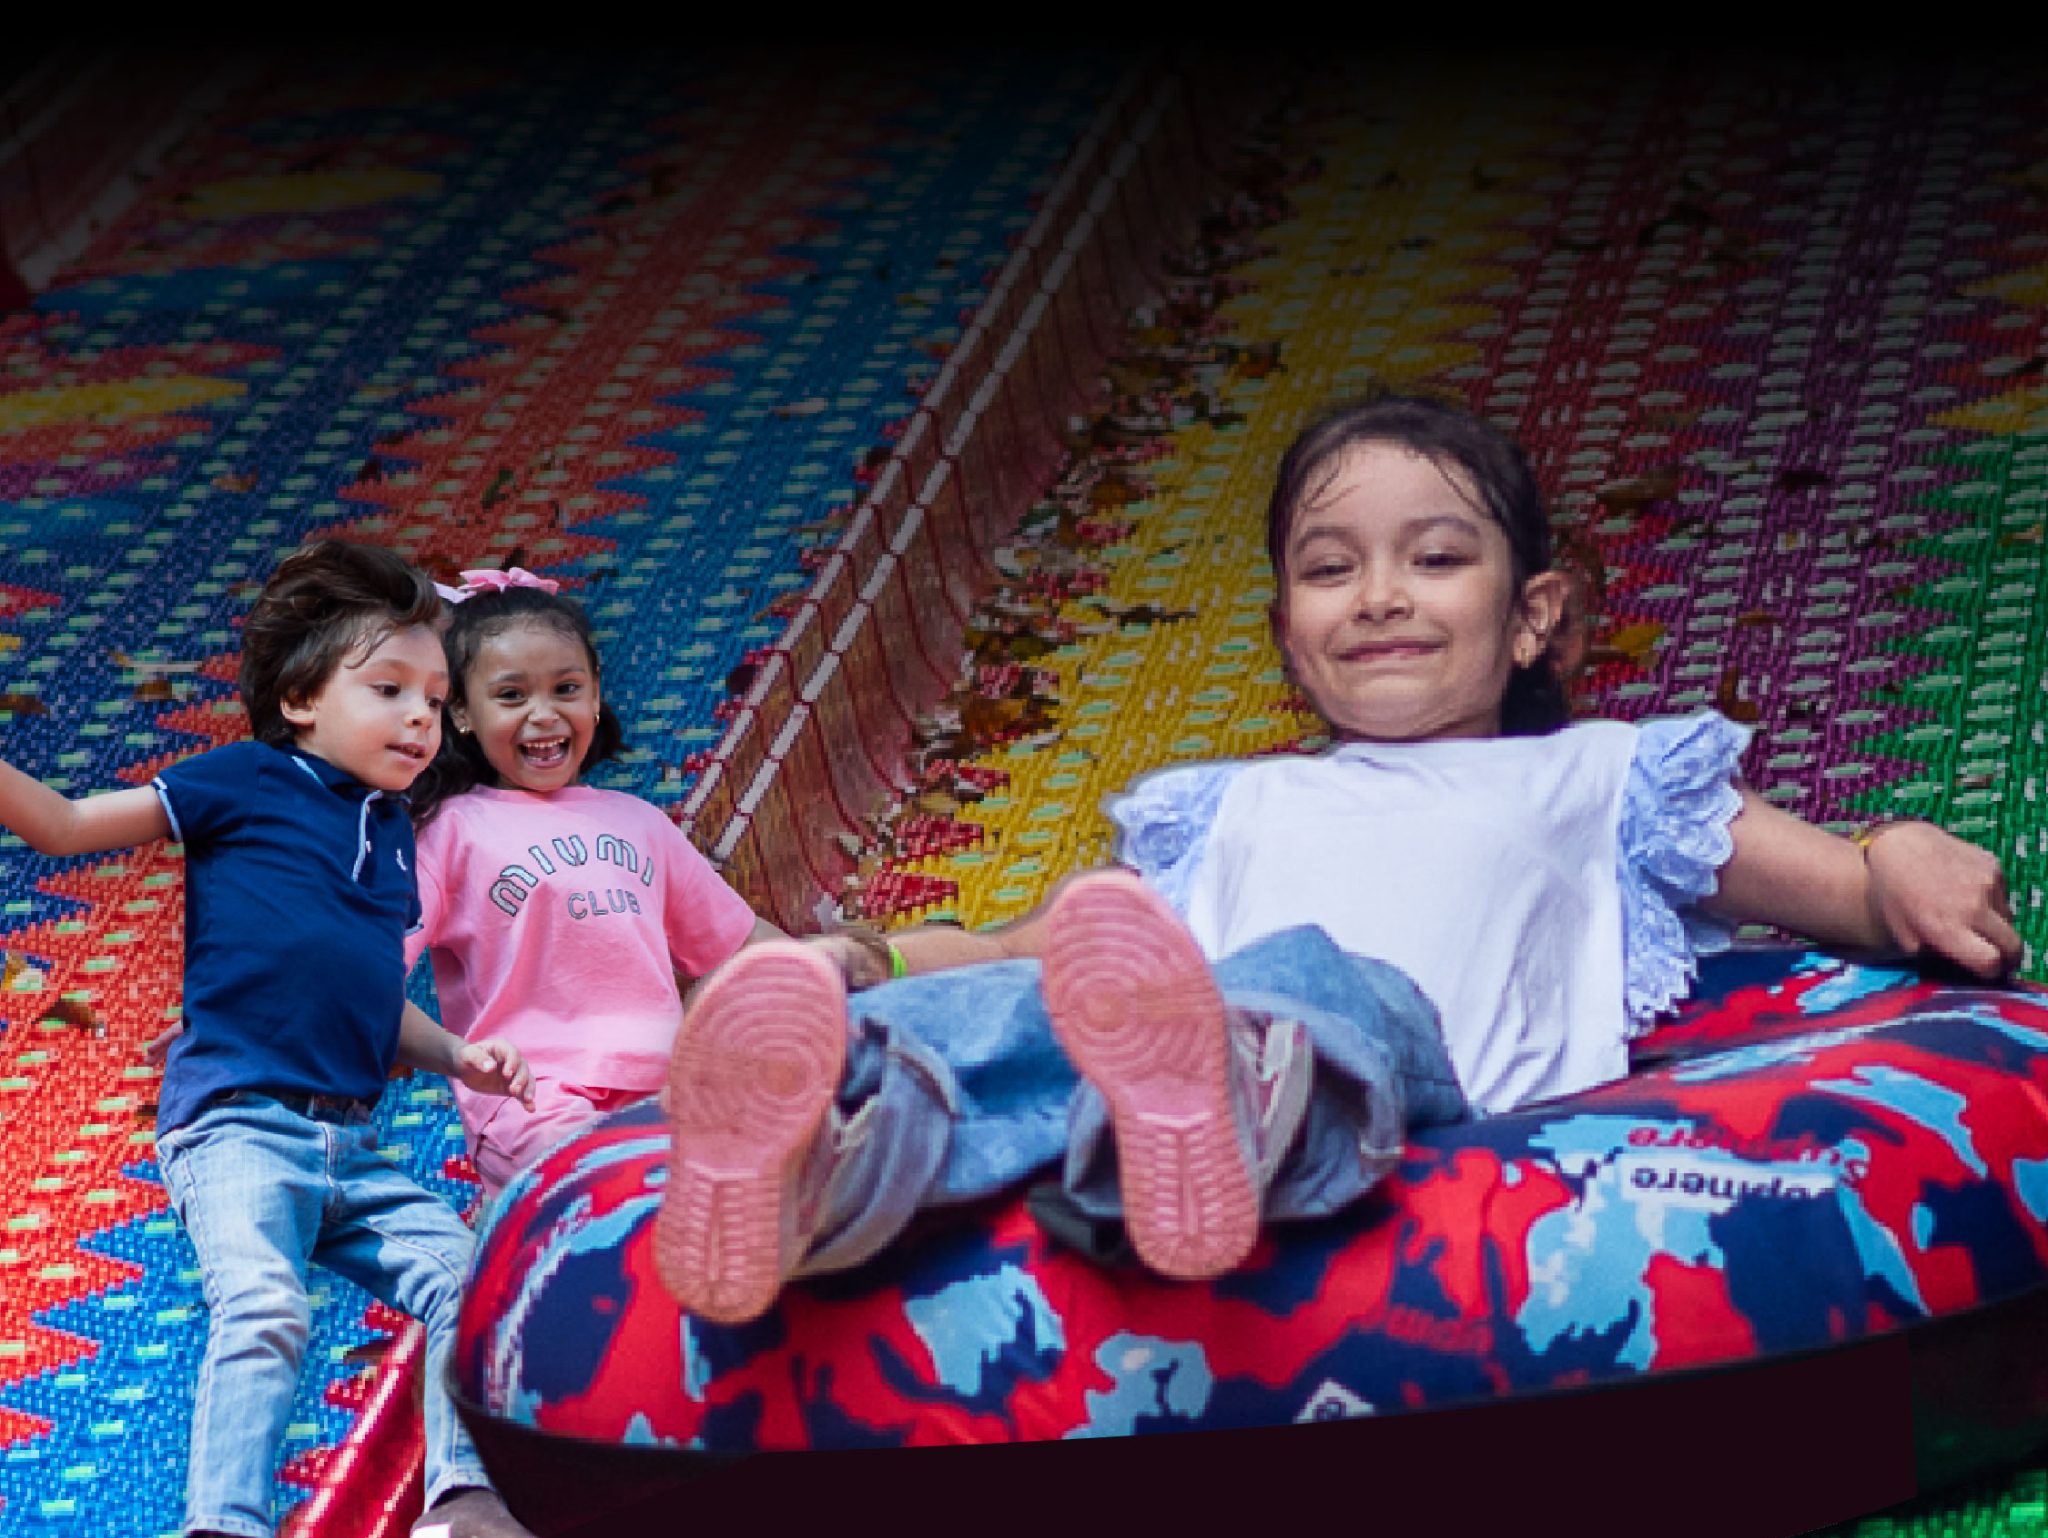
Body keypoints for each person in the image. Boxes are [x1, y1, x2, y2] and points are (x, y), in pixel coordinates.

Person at [653, 392, 2021, 1324]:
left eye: (1434, 558)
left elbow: (1838, 889)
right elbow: (1024, 957)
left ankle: (1232, 1104)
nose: (1378, 595)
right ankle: (832, 1153)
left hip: (1421, 1107)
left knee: (1316, 975)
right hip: (1179, 1083)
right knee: (1039, 983)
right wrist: (859, 964)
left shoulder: (1599, 775)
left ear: (1533, 615)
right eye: (1330, 569)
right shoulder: (1230, 809)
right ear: (1285, 632)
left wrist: (1898, 852)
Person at [0, 540, 567, 1538]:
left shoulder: (393, 835)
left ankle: (459, 1497)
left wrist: (455, 1053)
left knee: (477, 1277)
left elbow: (360, 990)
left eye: (437, 702)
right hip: (239, 1122)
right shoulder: (244, 780)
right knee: (262, 1305)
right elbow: (64, 826)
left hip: (350, 1141)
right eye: (389, 691)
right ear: (302, 699)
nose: (421, 721)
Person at [405, 568, 908, 1199]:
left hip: (672, 1094)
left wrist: (836, 985)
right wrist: (450, 1055)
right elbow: (374, 970)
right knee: (632, 1196)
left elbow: (742, 944)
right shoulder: (449, 831)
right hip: (535, 1103)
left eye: (566, 687)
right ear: (462, 714)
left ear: (594, 698)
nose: (543, 713)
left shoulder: (639, 822)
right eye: (511, 696)